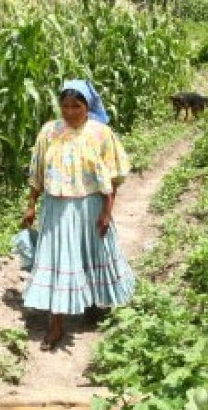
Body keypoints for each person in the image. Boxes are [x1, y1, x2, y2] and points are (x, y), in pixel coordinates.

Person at [21, 79, 135, 351]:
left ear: (88, 106)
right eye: (66, 106)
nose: (71, 112)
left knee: (91, 254)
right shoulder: (49, 132)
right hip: (57, 208)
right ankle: (56, 324)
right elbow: (37, 172)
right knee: (60, 261)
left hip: (90, 205)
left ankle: (94, 305)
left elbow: (114, 175)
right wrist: (31, 205)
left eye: (77, 106)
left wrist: (108, 211)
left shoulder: (100, 133)